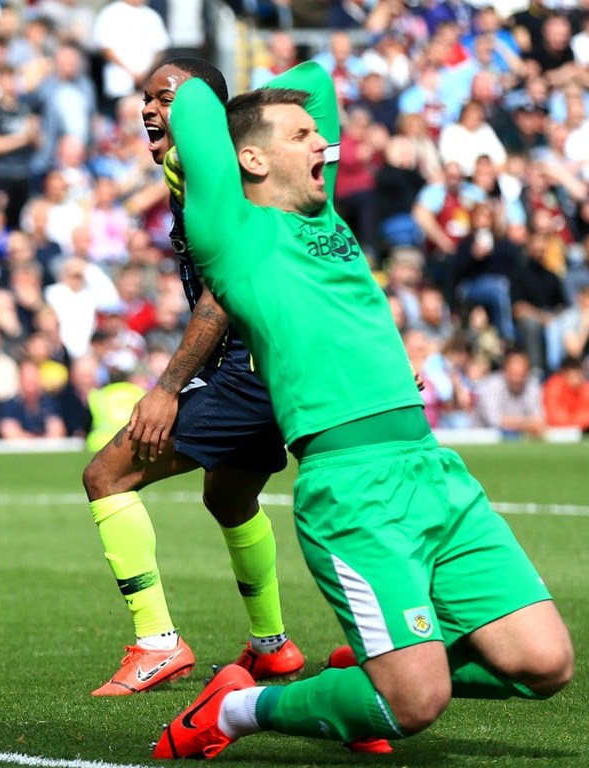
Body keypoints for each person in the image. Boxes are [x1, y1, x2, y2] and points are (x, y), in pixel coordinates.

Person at [152, 61, 573, 760]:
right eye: (301, 136)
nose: (323, 144)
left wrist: (283, 119)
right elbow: (192, 97)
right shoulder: (233, 233)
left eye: (319, 135)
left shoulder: (328, 217)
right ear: (249, 159)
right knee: (415, 703)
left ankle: (372, 674)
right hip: (352, 488)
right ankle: (234, 709)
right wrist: (230, 129)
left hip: (435, 472)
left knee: (544, 665)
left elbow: (315, 74)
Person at [80, 58, 305, 700]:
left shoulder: (221, 175)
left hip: (249, 373)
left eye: (166, 97)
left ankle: (157, 643)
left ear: (205, 107)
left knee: (106, 476)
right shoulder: (199, 172)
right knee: (229, 499)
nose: (149, 109)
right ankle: (272, 647)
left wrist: (167, 388)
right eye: (144, 98)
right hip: (269, 369)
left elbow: (223, 293)